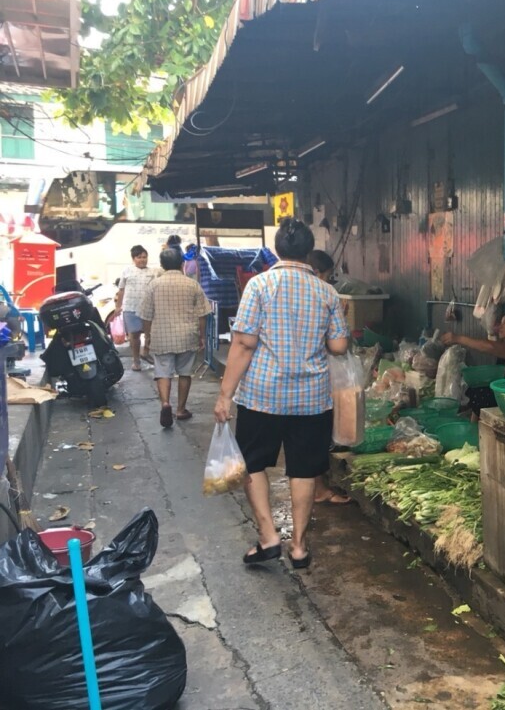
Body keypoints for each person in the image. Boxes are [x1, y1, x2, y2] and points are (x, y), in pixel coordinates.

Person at [214, 218, 350, 569]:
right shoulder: (327, 292)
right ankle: (300, 547)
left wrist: (225, 395)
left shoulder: (259, 285)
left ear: (277, 249)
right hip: (311, 398)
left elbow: (244, 343)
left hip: (262, 394)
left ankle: (268, 536)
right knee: (303, 469)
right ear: (308, 251)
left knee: (254, 463)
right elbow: (338, 346)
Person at [138, 248, 212, 428]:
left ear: (162, 265)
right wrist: (202, 337)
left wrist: (147, 338)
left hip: (161, 336)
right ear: (182, 264)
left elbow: (146, 315)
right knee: (185, 372)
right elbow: (203, 314)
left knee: (163, 372)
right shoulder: (192, 284)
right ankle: (180, 409)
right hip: (187, 335)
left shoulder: (154, 285)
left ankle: (165, 403)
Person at [304, 248, 352, 505]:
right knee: (314, 438)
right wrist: (339, 319)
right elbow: (338, 346)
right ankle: (319, 490)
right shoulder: (322, 294)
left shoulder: (275, 290)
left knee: (300, 442)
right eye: (328, 275)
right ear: (317, 272)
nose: (328, 280)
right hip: (312, 380)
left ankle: (314, 488)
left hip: (280, 384)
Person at [441, 307, 505, 418]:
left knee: (480, 394)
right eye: (500, 323)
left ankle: (475, 428)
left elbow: (489, 347)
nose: (500, 327)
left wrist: (458, 338)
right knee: (476, 391)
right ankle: (474, 425)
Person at [114, 245, 159, 371]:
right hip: (130, 308)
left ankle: (146, 352)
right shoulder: (127, 271)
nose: (142, 260)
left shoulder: (152, 272)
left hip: (148, 308)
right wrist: (118, 307)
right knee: (134, 336)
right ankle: (136, 361)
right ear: (133, 259)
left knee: (149, 334)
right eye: (139, 257)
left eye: (144, 257)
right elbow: (121, 290)